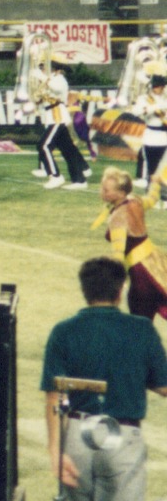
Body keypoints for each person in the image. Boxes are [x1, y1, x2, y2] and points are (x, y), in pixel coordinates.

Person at [44, 256, 167, 501]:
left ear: (84, 289)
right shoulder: (141, 329)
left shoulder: (63, 331)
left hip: (75, 435)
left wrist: (56, 451)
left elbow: (53, 397)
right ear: (122, 288)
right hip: (123, 438)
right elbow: (163, 384)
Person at [96, 167, 167, 320]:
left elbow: (118, 255)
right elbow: (152, 200)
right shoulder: (134, 200)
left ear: (120, 193)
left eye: (106, 190)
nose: (101, 191)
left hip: (140, 271)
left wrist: (118, 284)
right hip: (155, 260)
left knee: (139, 316)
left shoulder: (118, 217)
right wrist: (155, 183)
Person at [41, 59, 91, 190]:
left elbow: (56, 89)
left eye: (46, 68)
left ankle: (55, 176)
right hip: (50, 115)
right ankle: (79, 180)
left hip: (57, 116)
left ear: (56, 70)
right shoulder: (48, 80)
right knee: (68, 149)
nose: (43, 70)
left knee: (44, 146)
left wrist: (42, 77)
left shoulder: (59, 79)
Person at [130, 65, 167, 193]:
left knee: (164, 169)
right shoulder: (144, 99)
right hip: (151, 136)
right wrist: (153, 108)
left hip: (165, 136)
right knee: (152, 168)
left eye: (161, 86)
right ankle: (151, 193)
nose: (158, 89)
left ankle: (164, 195)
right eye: (156, 86)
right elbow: (136, 112)